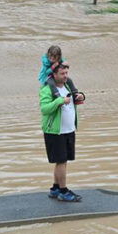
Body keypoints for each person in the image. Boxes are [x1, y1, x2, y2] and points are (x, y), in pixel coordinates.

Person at [40, 62, 85, 201]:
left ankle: (55, 188)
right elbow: (45, 109)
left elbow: (73, 103)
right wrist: (59, 101)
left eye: (67, 73)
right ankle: (63, 191)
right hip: (55, 132)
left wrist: (81, 97)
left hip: (69, 130)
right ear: (54, 75)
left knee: (62, 162)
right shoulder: (47, 89)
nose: (65, 76)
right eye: (62, 74)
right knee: (61, 161)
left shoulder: (67, 86)